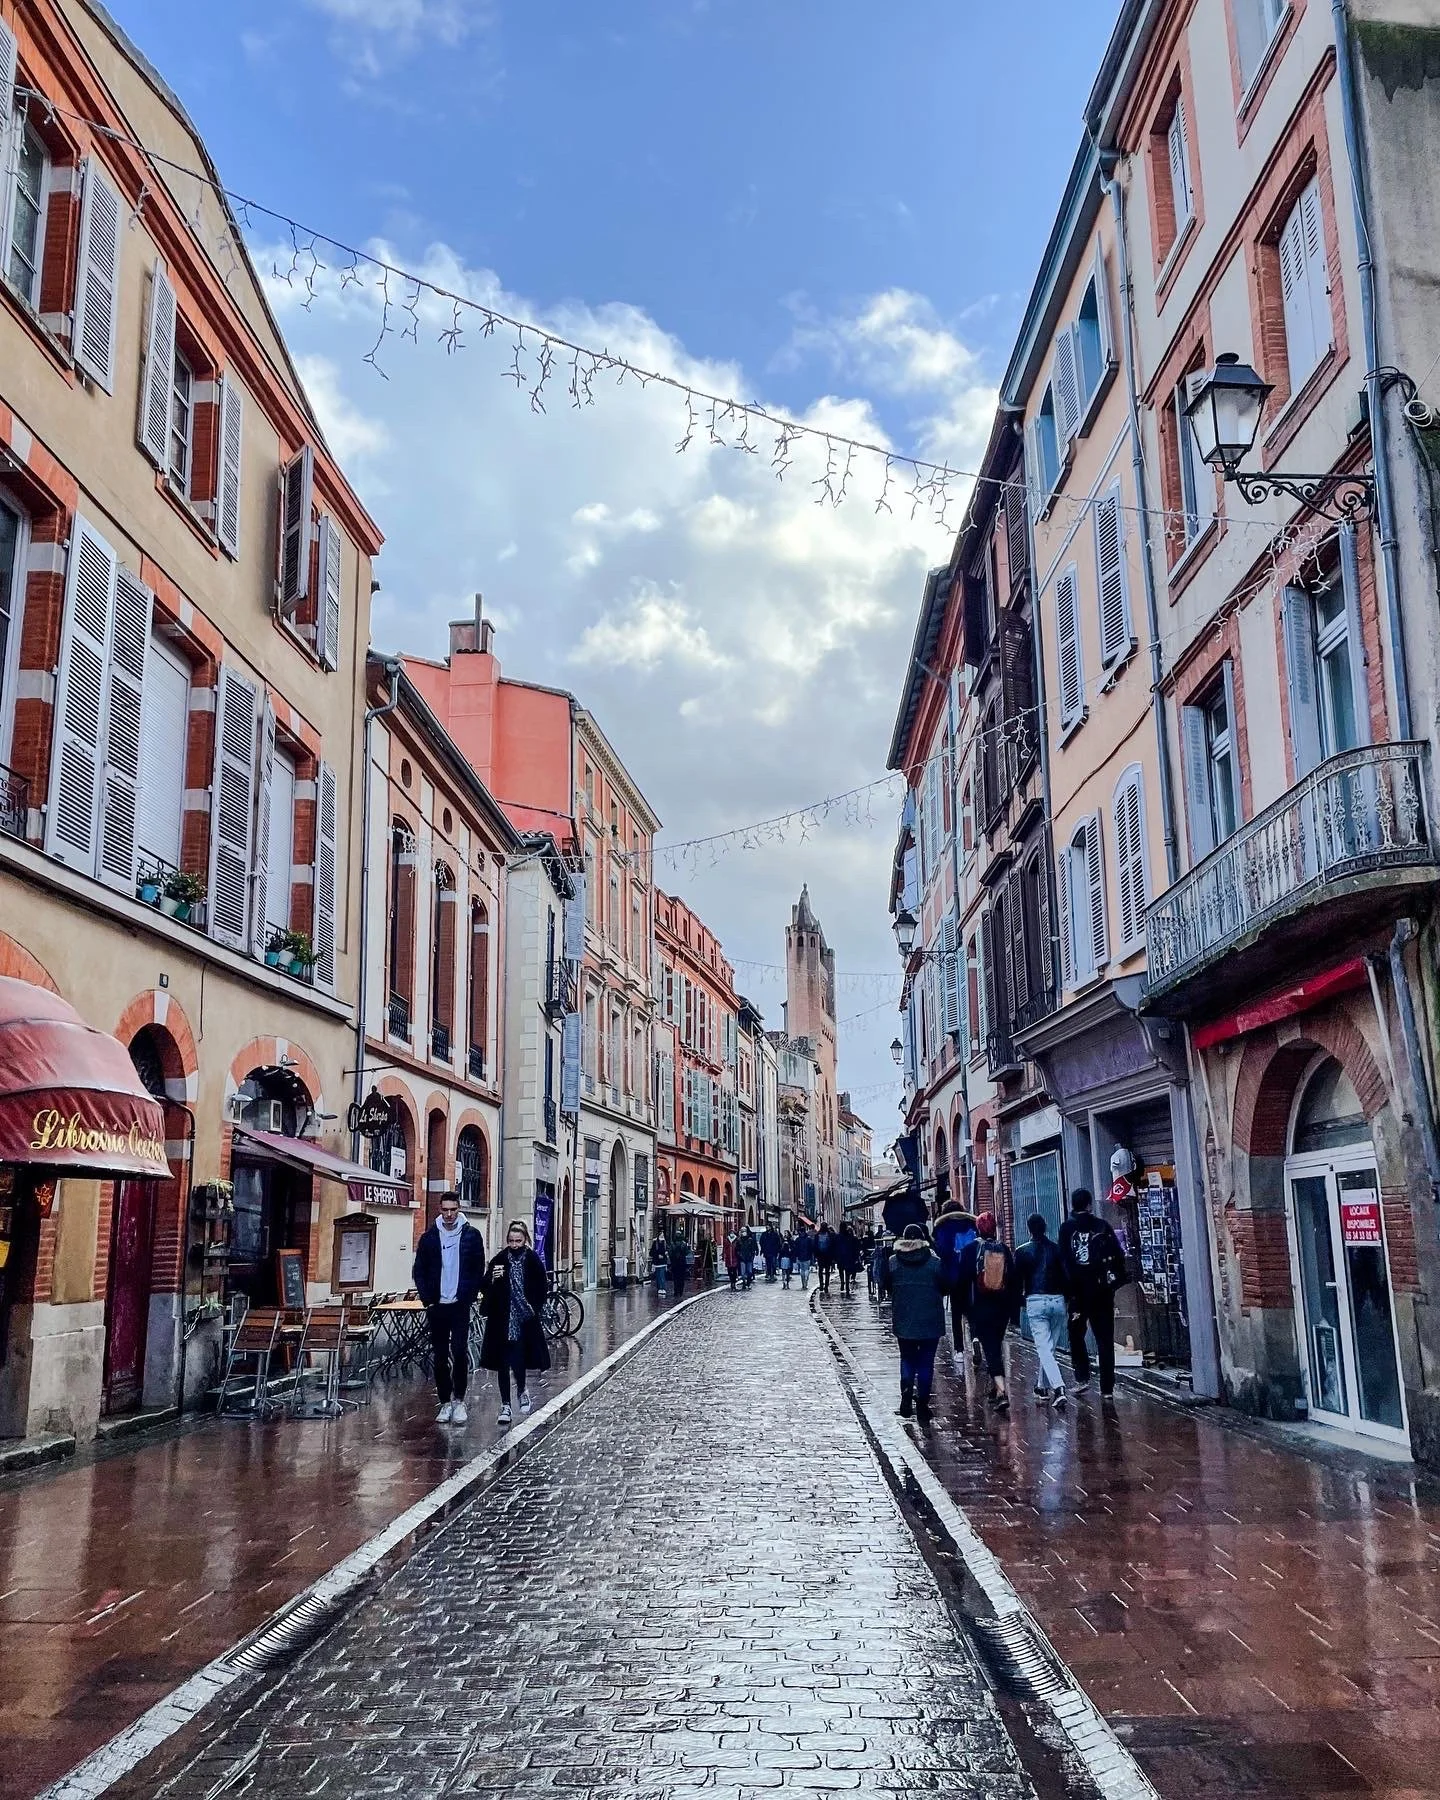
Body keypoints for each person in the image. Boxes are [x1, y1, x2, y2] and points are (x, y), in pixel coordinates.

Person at [412, 1191, 486, 1425]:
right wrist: (428, 1300)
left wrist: (469, 1295)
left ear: (459, 1208)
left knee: (461, 1351)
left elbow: (477, 1267)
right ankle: (444, 1401)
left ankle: (459, 1400)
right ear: (440, 1210)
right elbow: (419, 1270)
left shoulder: (472, 1235)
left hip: (459, 1304)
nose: (449, 1214)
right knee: (440, 1355)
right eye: (445, 1210)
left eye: (453, 1209)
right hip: (437, 1305)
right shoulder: (430, 1238)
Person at [1058, 1189, 1128, 1398]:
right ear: (1089, 1205)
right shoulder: (1102, 1225)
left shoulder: (1066, 1228)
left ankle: (1082, 1378)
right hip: (1102, 1292)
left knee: (1076, 1334)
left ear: (1073, 1204)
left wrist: (1067, 1291)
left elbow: (1063, 1262)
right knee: (1105, 1339)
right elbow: (1118, 1254)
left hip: (1078, 1295)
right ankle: (1107, 1387)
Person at [478, 1220, 550, 1424]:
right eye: (511, 1241)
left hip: (524, 1319)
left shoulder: (533, 1260)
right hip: (501, 1319)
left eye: (518, 1241)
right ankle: (505, 1405)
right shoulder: (500, 1259)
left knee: (518, 1359)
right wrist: (493, 1278)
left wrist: (533, 1309)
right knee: (502, 1363)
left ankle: (521, 1390)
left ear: (525, 1239)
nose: (515, 1245)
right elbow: (484, 1285)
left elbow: (541, 1288)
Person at [956, 1210, 1018, 1413]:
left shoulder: (969, 1250)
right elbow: (1013, 1279)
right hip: (1002, 1308)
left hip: (980, 1307)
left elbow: (962, 1282)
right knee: (995, 1346)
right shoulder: (1004, 1249)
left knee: (991, 1349)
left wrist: (965, 1309)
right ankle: (995, 1388)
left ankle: (1001, 1392)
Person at [886, 1224, 946, 1420]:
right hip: (930, 1320)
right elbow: (946, 1286)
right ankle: (922, 1405)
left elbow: (885, 1285)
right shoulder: (935, 1263)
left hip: (903, 1318)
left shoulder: (893, 1262)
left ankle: (906, 1392)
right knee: (926, 1363)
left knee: (907, 1358)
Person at [1014, 1213, 1071, 1409]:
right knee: (1049, 1348)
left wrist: (1020, 1301)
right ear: (1045, 1227)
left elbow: (1016, 1281)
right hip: (1057, 1300)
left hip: (1035, 1300)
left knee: (1044, 1349)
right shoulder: (1056, 1250)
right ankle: (1041, 1386)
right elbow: (1066, 1277)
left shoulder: (1022, 1252)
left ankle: (1059, 1388)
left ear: (1029, 1229)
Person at [932, 1200, 978, 1375]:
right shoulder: (971, 1223)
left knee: (956, 1313)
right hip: (972, 1274)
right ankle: (975, 1337)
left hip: (953, 1276)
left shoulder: (942, 1227)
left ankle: (959, 1350)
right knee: (972, 1310)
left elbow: (941, 1251)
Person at [815, 1222, 837, 1295]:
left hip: (820, 1255)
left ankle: (821, 1285)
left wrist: (816, 1255)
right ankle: (826, 1285)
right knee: (827, 1271)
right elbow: (833, 1245)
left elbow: (815, 1246)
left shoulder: (817, 1235)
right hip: (828, 1256)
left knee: (820, 1271)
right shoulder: (830, 1235)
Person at [668, 1233, 690, 1300]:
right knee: (681, 1278)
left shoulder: (672, 1244)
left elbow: (670, 1253)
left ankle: (676, 1291)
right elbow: (686, 1252)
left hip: (674, 1263)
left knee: (675, 1278)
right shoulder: (683, 1244)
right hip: (682, 1263)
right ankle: (680, 1291)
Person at [792, 1225, 815, 1290]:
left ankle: (803, 1284)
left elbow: (795, 1249)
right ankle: (806, 1282)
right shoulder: (809, 1239)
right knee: (806, 1269)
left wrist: (796, 1256)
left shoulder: (797, 1239)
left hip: (800, 1257)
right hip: (807, 1257)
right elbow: (812, 1248)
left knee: (802, 1270)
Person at [737, 1225, 758, 1289]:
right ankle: (744, 1283)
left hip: (749, 1258)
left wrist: (753, 1254)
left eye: (744, 1231)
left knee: (749, 1271)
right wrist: (740, 1255)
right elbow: (737, 1249)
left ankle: (748, 1283)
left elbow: (754, 1247)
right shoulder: (739, 1240)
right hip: (742, 1258)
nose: (743, 1232)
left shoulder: (750, 1239)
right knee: (743, 1273)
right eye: (742, 1231)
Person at [650, 1230, 669, 1297]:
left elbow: (667, 1250)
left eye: (663, 1235)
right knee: (658, 1276)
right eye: (661, 1235)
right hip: (657, 1263)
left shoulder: (665, 1243)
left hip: (663, 1262)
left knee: (662, 1275)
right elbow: (651, 1252)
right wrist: (657, 1255)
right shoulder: (655, 1243)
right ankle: (659, 1288)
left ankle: (662, 1288)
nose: (662, 1236)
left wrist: (665, 1254)